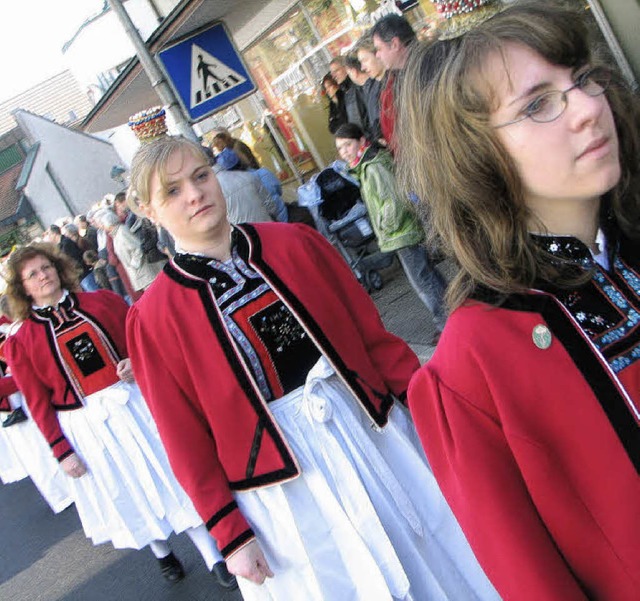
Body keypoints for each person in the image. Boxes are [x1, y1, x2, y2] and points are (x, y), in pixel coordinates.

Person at [125, 135, 499, 600]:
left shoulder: (294, 243)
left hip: (368, 430)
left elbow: (371, 338)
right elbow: (182, 436)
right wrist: (230, 534)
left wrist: (427, 410)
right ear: (148, 210)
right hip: (281, 486)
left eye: (201, 176)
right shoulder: (154, 316)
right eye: (173, 191)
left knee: (439, 552)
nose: (195, 194)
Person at [397, 1, 640, 600]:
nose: (588, 108)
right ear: (476, 156)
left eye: (583, 79)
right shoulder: (471, 364)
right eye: (537, 105)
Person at [2, 243, 237, 589]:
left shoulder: (101, 303)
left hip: (133, 406)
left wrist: (133, 362)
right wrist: (61, 451)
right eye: (33, 274)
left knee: (170, 475)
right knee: (127, 489)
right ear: (23, 288)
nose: (43, 276)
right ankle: (161, 552)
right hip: (85, 425)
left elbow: (139, 343)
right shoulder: (21, 340)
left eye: (46, 267)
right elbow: (37, 403)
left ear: (58, 268)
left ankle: (212, 554)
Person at [335, 123, 446, 334]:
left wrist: (386, 227)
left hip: (402, 231)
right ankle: (455, 314)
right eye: (340, 148)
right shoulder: (366, 165)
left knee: (423, 281)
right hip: (402, 230)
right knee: (428, 275)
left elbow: (393, 200)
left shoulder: (372, 165)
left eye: (348, 145)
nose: (344, 152)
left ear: (361, 141)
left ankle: (446, 323)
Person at [371, 13, 416, 152]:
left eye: (379, 49)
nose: (377, 55)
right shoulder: (393, 81)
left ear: (395, 44)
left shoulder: (429, 70)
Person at [356, 35, 387, 144]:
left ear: (378, 54)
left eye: (365, 60)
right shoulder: (372, 88)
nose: (362, 68)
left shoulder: (398, 82)